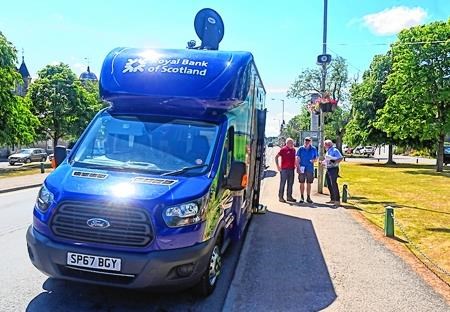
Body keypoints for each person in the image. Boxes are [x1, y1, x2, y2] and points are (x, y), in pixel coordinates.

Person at [295, 137, 318, 203]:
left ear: (311, 141)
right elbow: (297, 158)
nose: (307, 142)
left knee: (309, 183)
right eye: (306, 140)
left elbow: (316, 158)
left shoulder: (313, 149)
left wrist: (313, 160)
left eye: (308, 140)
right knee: (301, 182)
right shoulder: (300, 149)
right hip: (302, 168)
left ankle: (308, 197)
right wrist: (298, 167)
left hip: (310, 168)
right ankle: (302, 197)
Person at [275, 138, 296, 203]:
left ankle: (289, 196)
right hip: (284, 169)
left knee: (290, 183)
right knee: (283, 183)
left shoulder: (293, 150)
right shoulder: (283, 149)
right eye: (290, 143)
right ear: (287, 143)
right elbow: (276, 157)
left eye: (292, 143)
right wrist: (278, 166)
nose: (292, 144)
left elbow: (295, 158)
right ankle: (280, 197)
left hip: (291, 169)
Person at [322, 139, 343, 206]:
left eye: (325, 145)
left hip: (333, 169)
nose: (324, 147)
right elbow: (327, 159)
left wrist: (334, 162)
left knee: (333, 184)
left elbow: (340, 158)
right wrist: (323, 163)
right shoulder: (328, 151)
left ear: (328, 145)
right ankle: (332, 198)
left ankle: (337, 200)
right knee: (329, 184)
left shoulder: (335, 150)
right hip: (328, 168)